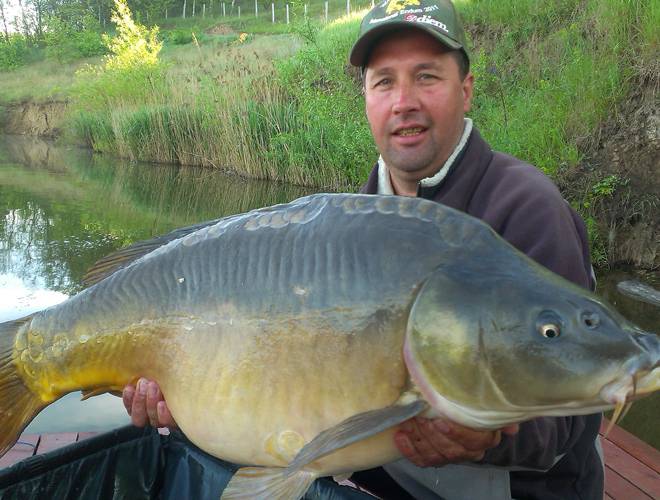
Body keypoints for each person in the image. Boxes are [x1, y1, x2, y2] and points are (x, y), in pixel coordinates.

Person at [123, 1, 603, 498]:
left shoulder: (527, 208)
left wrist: (482, 440)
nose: (404, 102)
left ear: (466, 89)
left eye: (426, 77)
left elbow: (574, 409)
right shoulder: (356, 218)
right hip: (384, 484)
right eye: (384, 82)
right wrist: (195, 395)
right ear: (367, 99)